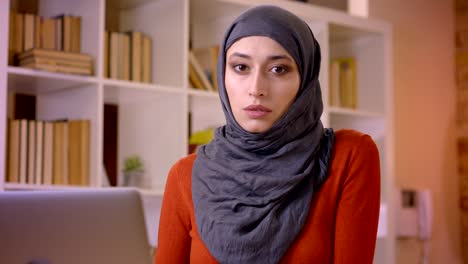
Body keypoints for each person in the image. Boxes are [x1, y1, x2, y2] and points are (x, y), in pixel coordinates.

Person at [155, 5, 380, 264]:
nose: (256, 89)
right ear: (223, 75)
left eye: (278, 69)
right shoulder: (185, 176)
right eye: (241, 67)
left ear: (305, 79)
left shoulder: (348, 157)